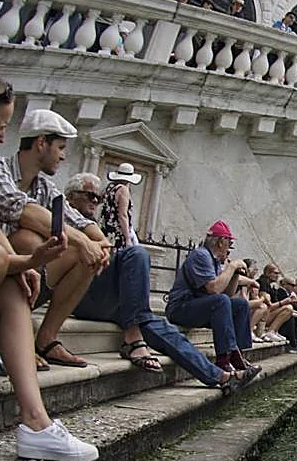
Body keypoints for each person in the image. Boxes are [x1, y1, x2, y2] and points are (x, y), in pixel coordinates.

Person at [0, 68, 96, 461]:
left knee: (13, 285)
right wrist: (16, 259)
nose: (3, 137)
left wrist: (26, 266)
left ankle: (36, 422)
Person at [64, 174, 258, 393]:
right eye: (90, 196)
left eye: (99, 197)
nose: (96, 201)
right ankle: (134, 339)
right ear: (71, 197)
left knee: (161, 327)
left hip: (108, 297)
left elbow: (103, 246)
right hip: (77, 295)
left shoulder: (90, 224)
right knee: (136, 254)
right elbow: (213, 289)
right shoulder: (61, 215)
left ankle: (221, 376)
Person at [0, 109, 110, 368]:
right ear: (41, 143)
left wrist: (99, 242)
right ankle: (16, 341)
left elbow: (81, 222)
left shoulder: (45, 187)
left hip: (28, 274)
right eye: (59, 147)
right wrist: (82, 241)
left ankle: (46, 339)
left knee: (87, 255)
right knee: (28, 239)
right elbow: (20, 209)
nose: (63, 155)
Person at [165, 220, 259, 374]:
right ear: (221, 242)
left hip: (199, 306)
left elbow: (226, 295)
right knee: (220, 301)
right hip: (180, 307)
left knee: (240, 305)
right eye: (229, 244)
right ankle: (224, 359)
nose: (229, 249)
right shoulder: (201, 255)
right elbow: (214, 289)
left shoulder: (213, 260)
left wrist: (234, 275)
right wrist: (232, 266)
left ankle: (239, 354)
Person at [98, 161, 141, 249]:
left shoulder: (110, 187)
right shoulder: (123, 190)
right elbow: (123, 215)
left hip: (106, 228)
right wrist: (127, 238)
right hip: (117, 231)